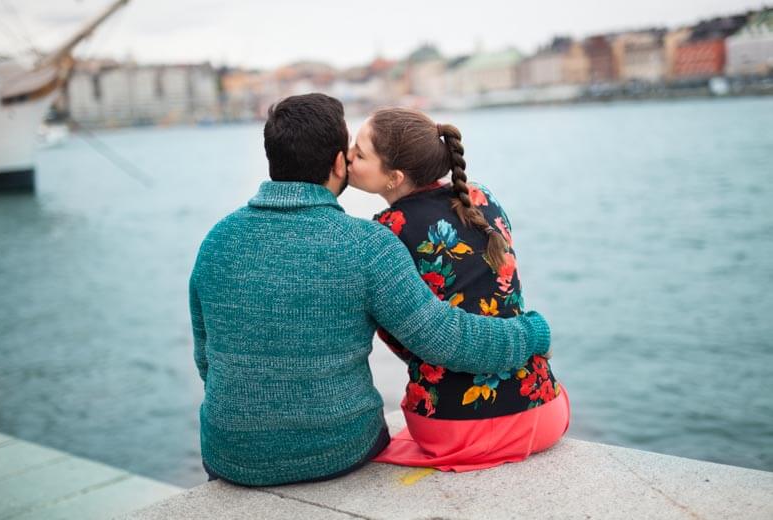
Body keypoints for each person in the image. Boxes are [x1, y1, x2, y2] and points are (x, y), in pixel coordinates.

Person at [189, 93, 552, 486]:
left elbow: (205, 357)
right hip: (339, 448)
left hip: (229, 456)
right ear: (337, 164)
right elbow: (447, 340)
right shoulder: (367, 244)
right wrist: (532, 332)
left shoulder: (216, 240)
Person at [346, 107, 569, 471]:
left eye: (359, 152)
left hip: (451, 425)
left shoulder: (386, 231)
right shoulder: (481, 197)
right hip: (544, 411)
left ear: (394, 177)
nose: (348, 156)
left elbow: (399, 334)